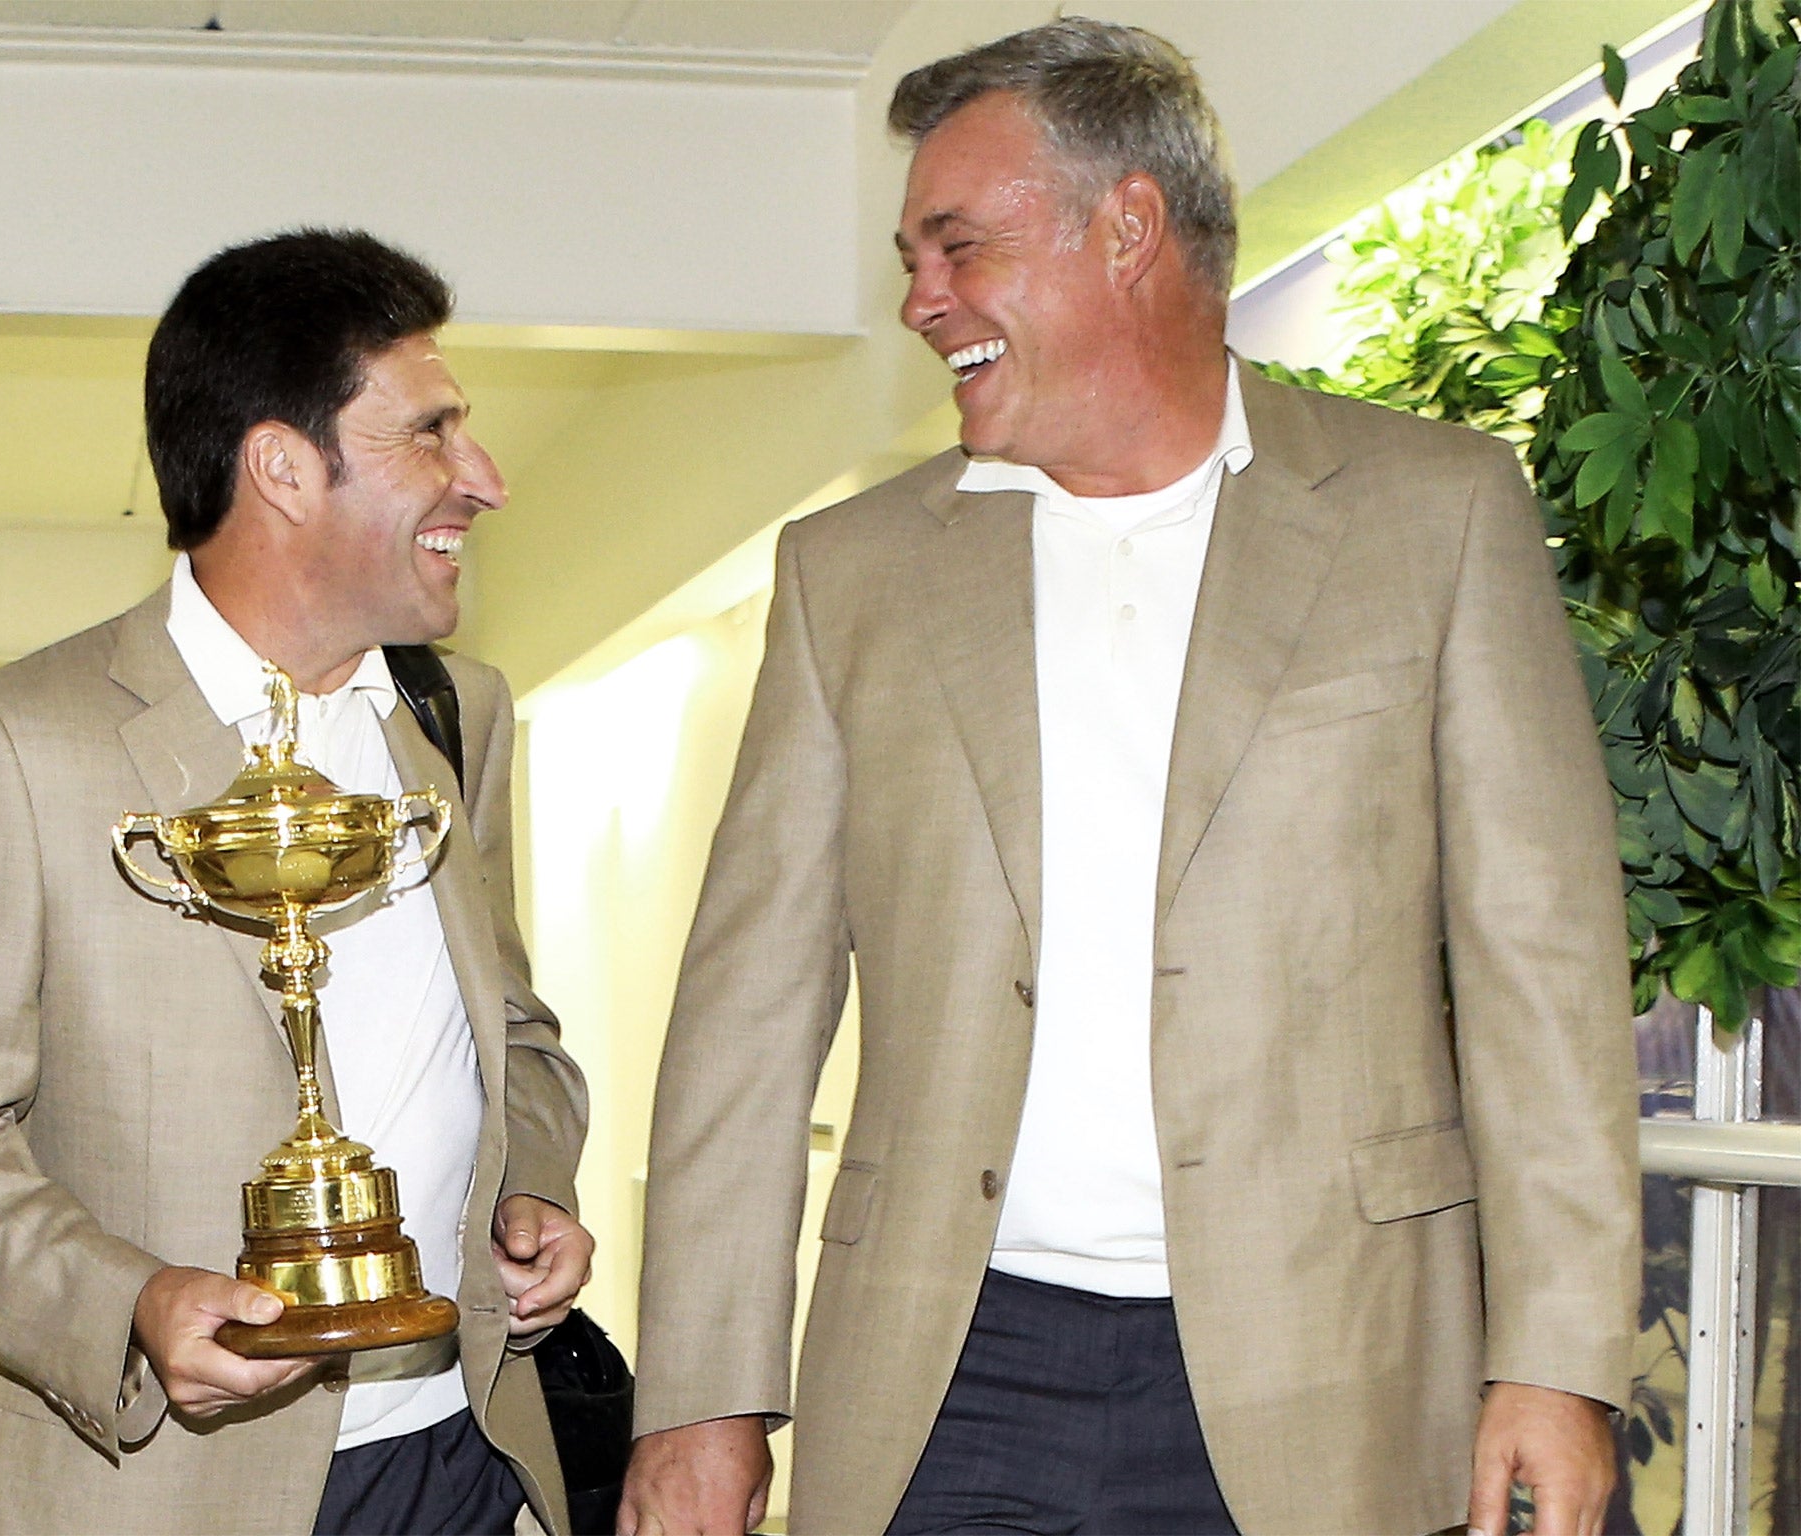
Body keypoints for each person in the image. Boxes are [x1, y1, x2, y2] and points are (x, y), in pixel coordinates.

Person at [622, 20, 1637, 1536]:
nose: (920, 301)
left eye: (958, 246)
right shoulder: (852, 574)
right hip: (947, 1380)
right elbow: (744, 1016)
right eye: (914, 256)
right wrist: (702, 1394)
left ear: (1129, 229)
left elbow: (1541, 968)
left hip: (1334, 1366)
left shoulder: (1435, 516)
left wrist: (1558, 1359)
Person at [0, 229, 593, 1536]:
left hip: (464, 1455)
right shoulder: (16, 742)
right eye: (433, 432)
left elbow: (515, 1033)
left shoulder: (455, 714)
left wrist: (535, 1184)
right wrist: (128, 1302)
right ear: (282, 467)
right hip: (161, 1488)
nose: (486, 481)